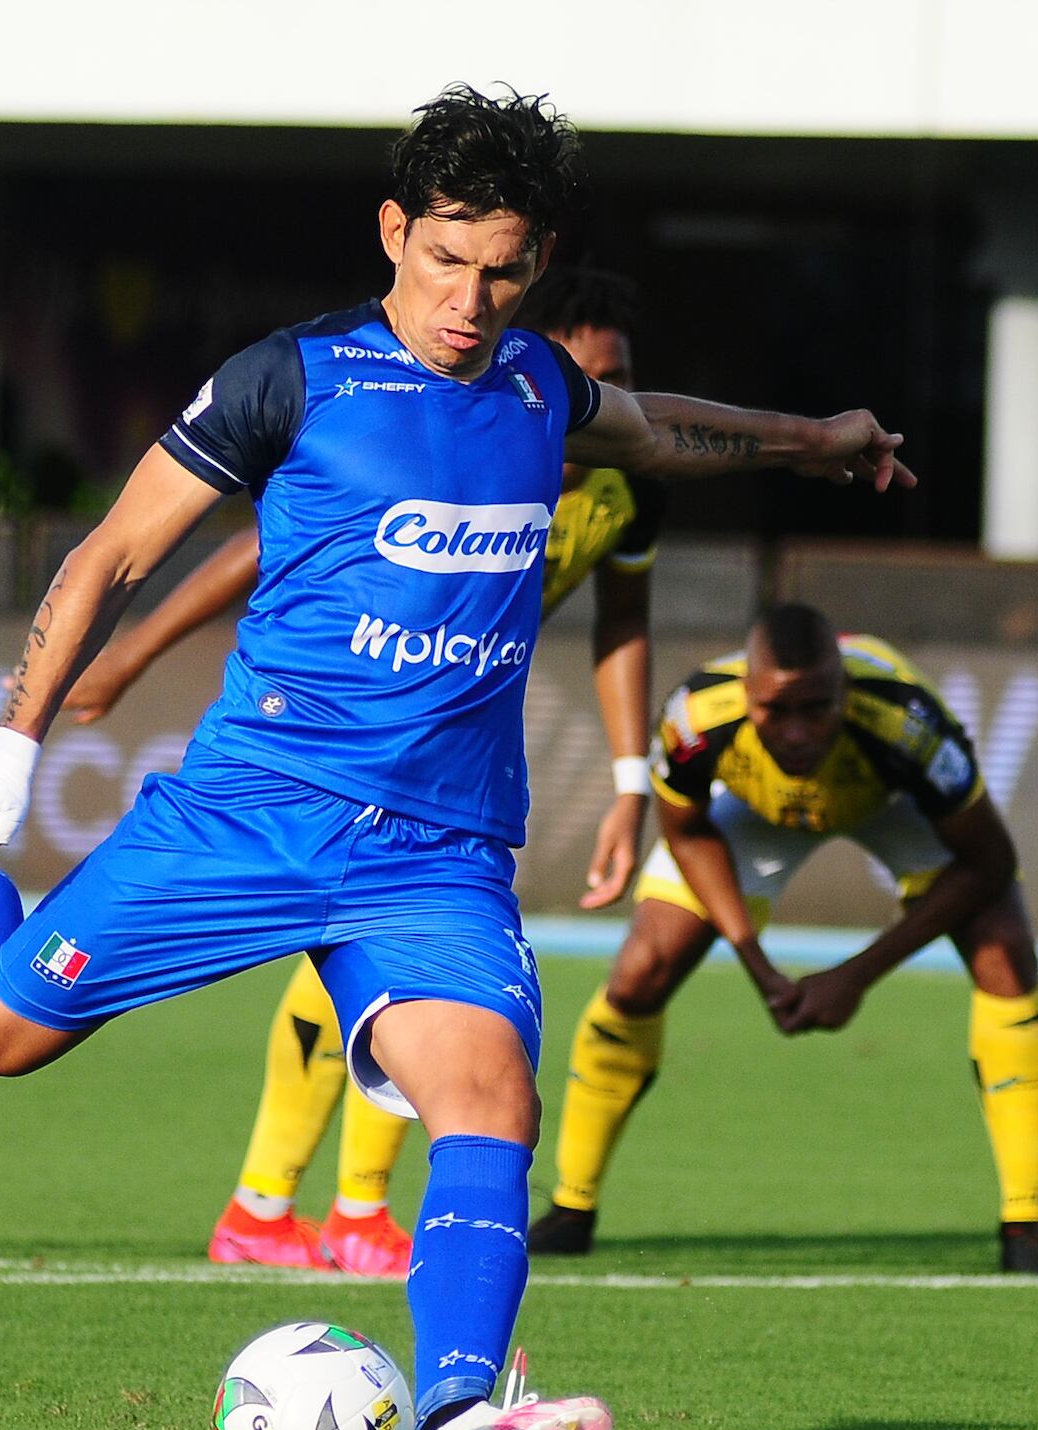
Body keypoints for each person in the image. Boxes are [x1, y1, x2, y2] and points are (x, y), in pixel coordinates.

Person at [0, 85, 914, 1430]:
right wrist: (6, 767)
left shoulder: (534, 387)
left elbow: (649, 424)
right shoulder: (297, 376)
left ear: (537, 264)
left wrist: (817, 439)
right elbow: (108, 558)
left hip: (435, 853)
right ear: (394, 232)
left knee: (492, 1100)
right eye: (446, 261)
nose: (471, 299)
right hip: (250, 813)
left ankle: (458, 1415)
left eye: (505, 271)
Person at [58, 266, 664, 1278]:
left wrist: (632, 777)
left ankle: (308, 1208)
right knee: (380, 959)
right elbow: (256, 547)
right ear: (537, 363)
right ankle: (305, 1205)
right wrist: (131, 654)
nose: (601, 398)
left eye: (620, 378)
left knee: (378, 967)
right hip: (333, 727)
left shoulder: (619, 489)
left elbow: (624, 622)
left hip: (441, 754)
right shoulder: (437, 437)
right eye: (589, 372)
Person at [530, 602, 1038, 1276]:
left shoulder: (906, 726)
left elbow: (987, 861)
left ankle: (1027, 1224)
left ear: (844, 690)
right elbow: (688, 830)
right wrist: (755, 962)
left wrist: (856, 975)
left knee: (1004, 950)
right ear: (748, 691)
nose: (794, 732)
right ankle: (571, 1208)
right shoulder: (696, 716)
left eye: (816, 708)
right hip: (755, 813)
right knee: (641, 968)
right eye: (773, 712)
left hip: (889, 806)